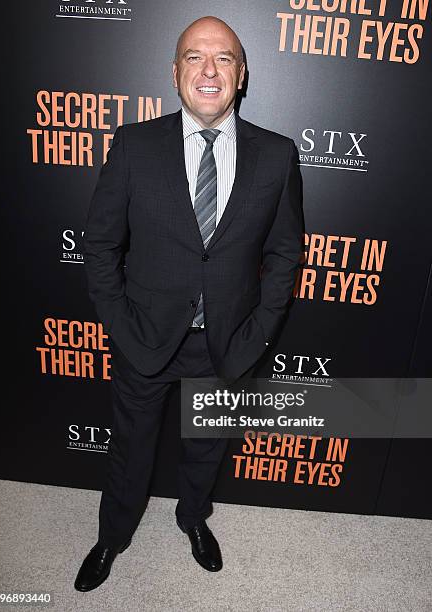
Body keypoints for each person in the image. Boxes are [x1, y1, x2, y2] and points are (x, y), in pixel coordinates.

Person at [74, 15, 304, 592]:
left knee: (206, 448)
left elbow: (284, 258)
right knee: (130, 449)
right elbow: (100, 246)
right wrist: (124, 328)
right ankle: (113, 535)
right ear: (175, 72)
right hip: (144, 337)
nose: (209, 70)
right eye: (194, 57)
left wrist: (256, 335)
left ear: (241, 74)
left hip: (227, 343)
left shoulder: (276, 157)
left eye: (223, 58)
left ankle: (193, 519)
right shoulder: (134, 145)